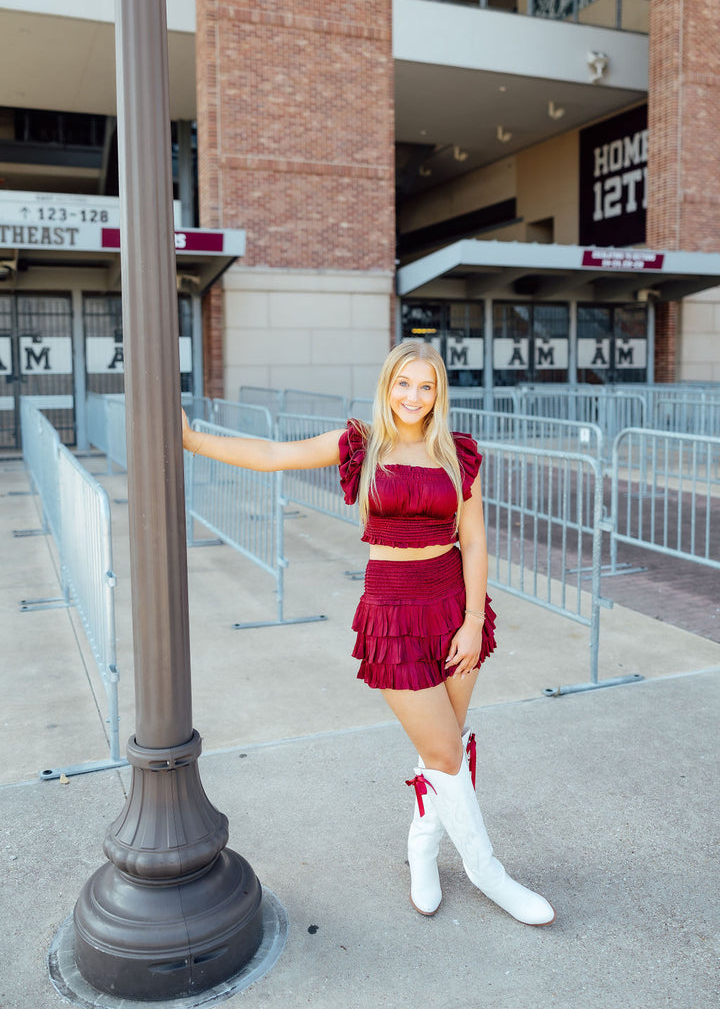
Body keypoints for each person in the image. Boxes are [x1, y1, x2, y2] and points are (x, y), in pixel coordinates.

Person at [182, 340, 555, 926]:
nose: (413, 396)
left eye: (425, 386)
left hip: (454, 603)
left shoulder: (459, 454)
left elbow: (476, 540)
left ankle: (422, 851)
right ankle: (489, 873)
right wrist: (194, 440)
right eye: (403, 384)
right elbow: (273, 455)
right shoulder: (360, 443)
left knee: (446, 744)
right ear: (387, 386)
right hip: (392, 610)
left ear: (439, 394)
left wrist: (474, 618)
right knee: (443, 750)